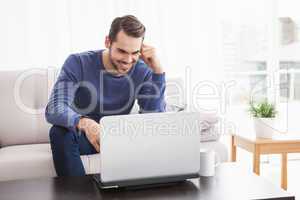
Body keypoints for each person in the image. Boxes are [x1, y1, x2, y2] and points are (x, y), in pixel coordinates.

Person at [45, 15, 166, 176]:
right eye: (122, 51)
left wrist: (158, 72)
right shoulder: (78, 63)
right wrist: (86, 123)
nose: (128, 60)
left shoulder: (142, 70)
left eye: (135, 53)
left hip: (120, 137)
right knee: (59, 133)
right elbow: (54, 108)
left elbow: (153, 119)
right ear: (108, 42)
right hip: (86, 137)